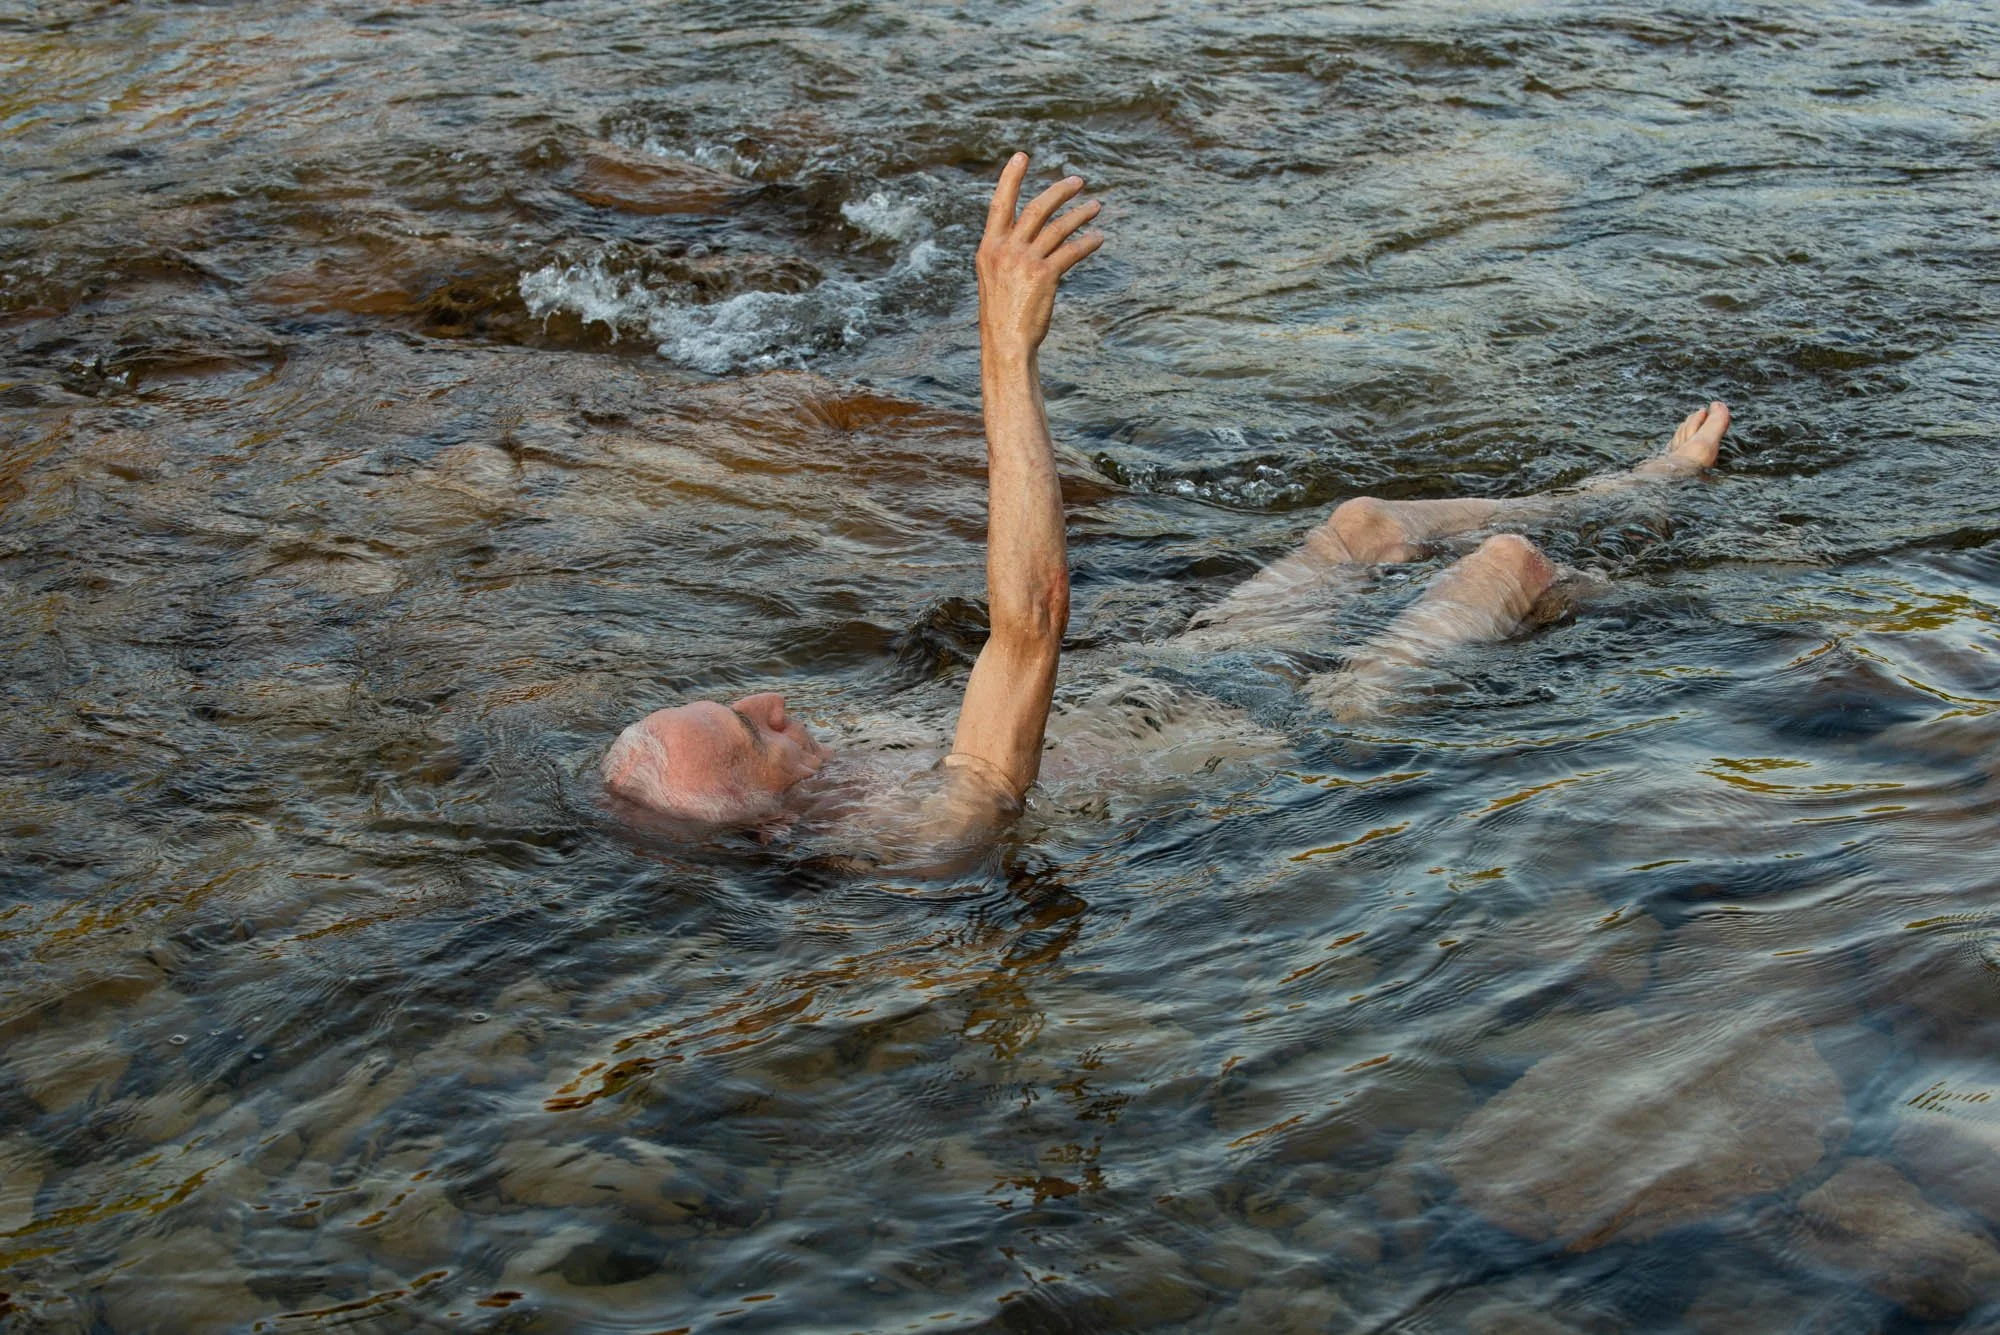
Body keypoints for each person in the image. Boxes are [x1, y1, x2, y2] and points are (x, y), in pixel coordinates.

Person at [601, 152, 1731, 851]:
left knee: (1360, 525)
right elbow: (1029, 622)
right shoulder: (922, 832)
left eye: (741, 700)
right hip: (1284, 731)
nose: (774, 697)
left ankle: (1632, 486)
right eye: (756, 731)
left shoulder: (821, 774)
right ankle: (1713, 594)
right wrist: (1005, 348)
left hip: (1181, 675)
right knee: (1508, 569)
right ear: (777, 821)